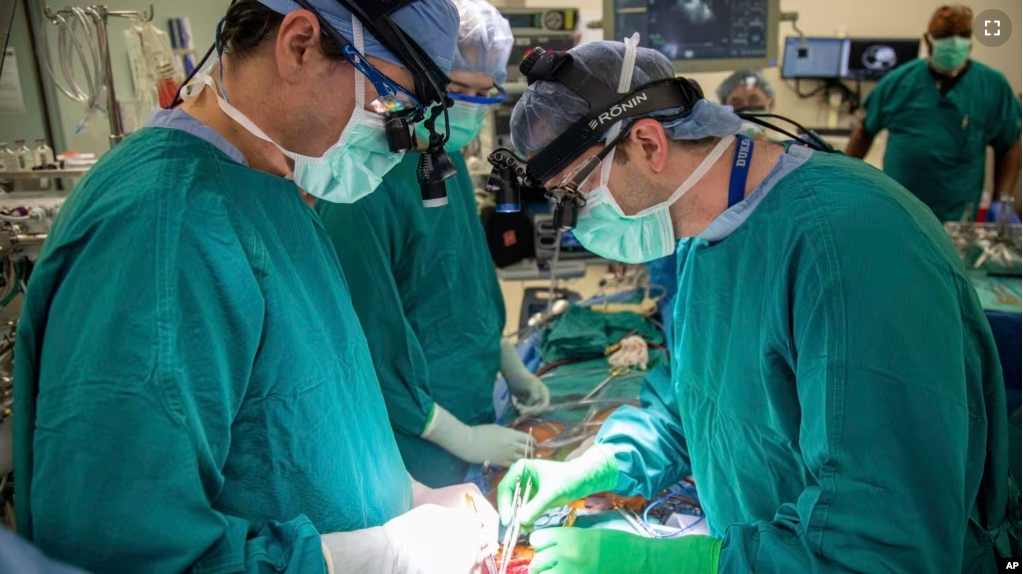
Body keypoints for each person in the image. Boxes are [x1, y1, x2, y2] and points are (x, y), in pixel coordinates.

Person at [13, 1, 501, 572]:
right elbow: (123, 546)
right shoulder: (163, 229)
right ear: (298, 44)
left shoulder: (272, 193)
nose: (397, 136)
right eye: (391, 102)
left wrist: (413, 497)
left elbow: (315, 415)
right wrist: (376, 555)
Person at [497, 40, 1017, 573]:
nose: (578, 222)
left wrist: (671, 563)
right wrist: (606, 463)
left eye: (575, 196)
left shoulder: (853, 249)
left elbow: (881, 541)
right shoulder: (708, 234)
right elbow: (701, 401)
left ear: (650, 144)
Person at [318, 0, 550, 489]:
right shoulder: (361, 185)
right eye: (455, 89)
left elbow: (468, 282)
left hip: (471, 402)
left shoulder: (443, 161)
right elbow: (370, 343)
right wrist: (459, 436)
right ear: (417, 75)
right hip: (415, 443)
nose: (467, 106)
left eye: (481, 93)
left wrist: (507, 363)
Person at [846, 4, 1022, 222]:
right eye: (945, 35)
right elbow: (863, 133)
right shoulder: (898, 82)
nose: (955, 42)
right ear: (928, 40)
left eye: (963, 35)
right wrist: (843, 181)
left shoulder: (992, 86)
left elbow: (1010, 146)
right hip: (898, 210)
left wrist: (1002, 201)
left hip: (957, 217)